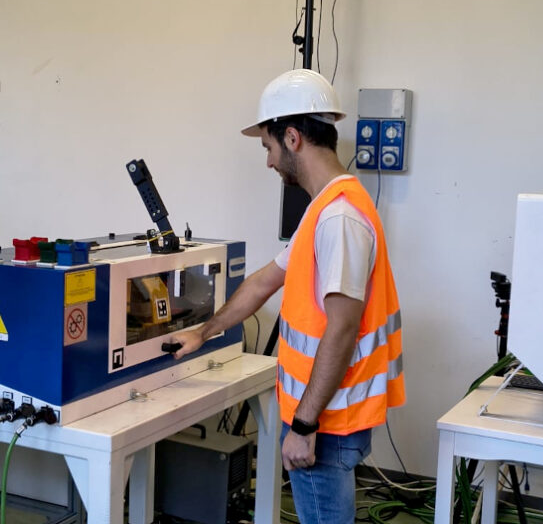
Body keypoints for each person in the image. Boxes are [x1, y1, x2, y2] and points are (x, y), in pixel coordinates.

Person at [166, 69, 405, 524]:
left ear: (292, 138)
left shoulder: (339, 218)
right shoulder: (323, 211)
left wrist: (304, 425)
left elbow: (343, 329)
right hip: (322, 417)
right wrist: (203, 332)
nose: (269, 162)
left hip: (326, 424)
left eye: (268, 147)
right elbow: (263, 282)